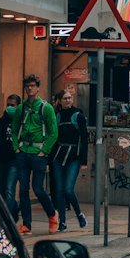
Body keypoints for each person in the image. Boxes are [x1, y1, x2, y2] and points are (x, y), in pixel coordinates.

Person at [11, 74, 59, 234]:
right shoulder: (21, 108)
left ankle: (52, 215)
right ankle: (27, 225)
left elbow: (54, 133)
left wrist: (43, 151)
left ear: (38, 88)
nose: (30, 88)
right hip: (23, 152)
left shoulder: (46, 108)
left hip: (38, 153)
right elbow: (14, 130)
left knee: (38, 188)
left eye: (32, 86)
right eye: (27, 86)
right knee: (23, 189)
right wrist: (16, 147)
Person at [52, 89, 89, 231]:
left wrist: (84, 161)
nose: (68, 100)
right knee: (59, 191)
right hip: (58, 157)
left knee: (68, 189)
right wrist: (50, 161)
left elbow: (84, 139)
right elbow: (53, 138)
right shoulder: (57, 116)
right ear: (60, 101)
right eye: (65, 98)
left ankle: (79, 214)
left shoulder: (78, 115)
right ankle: (62, 221)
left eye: (69, 98)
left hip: (74, 157)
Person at [0, 94, 21, 218]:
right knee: (0, 191)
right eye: (8, 105)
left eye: (13, 105)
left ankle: (6, 219)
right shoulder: (0, 122)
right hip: (0, 161)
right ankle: (14, 208)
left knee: (9, 190)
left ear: (18, 106)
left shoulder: (21, 122)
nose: (9, 108)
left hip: (14, 162)